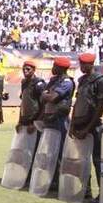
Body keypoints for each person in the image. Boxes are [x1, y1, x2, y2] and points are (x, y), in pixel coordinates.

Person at [70, 53, 103, 203]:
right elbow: (78, 102)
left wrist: (89, 127)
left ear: (91, 65)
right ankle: (86, 190)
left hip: (93, 126)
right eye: (80, 64)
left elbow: (100, 106)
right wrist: (72, 124)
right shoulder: (82, 80)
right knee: (82, 160)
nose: (81, 67)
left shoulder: (100, 81)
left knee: (97, 160)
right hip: (80, 123)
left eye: (84, 65)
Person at [36, 56, 75, 189]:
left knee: (62, 151)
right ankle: (54, 180)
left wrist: (45, 95)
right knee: (50, 151)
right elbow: (43, 98)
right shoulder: (53, 80)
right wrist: (45, 96)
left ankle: (65, 182)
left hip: (60, 119)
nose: (53, 68)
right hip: (49, 118)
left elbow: (52, 98)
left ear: (61, 68)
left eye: (55, 66)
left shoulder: (66, 82)